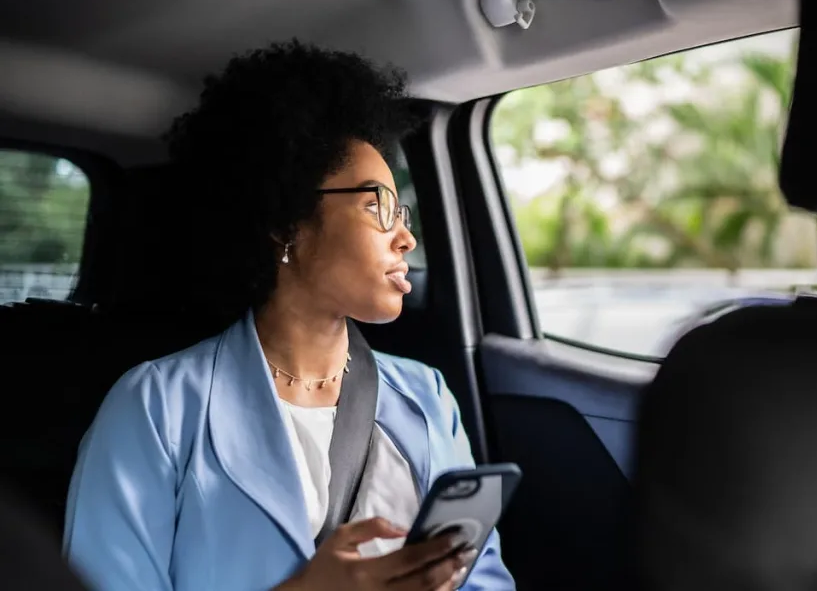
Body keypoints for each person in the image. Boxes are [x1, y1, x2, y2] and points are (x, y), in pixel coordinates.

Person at [63, 40, 515, 591]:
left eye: (404, 211)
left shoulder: (428, 397)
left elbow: (486, 580)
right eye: (378, 206)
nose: (406, 236)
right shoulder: (155, 407)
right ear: (285, 221)